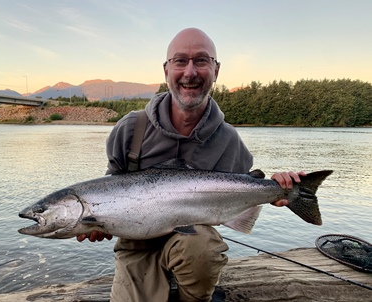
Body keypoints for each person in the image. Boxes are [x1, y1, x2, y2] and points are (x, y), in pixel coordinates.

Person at [77, 28, 305, 301]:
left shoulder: (229, 140)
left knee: (200, 246)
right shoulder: (131, 128)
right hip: (137, 247)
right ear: (166, 69)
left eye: (201, 60)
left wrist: (279, 190)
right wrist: (100, 222)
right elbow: (111, 184)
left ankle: (193, 295)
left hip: (194, 246)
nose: (190, 72)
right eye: (180, 61)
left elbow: (244, 194)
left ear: (216, 70)